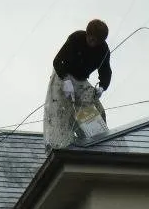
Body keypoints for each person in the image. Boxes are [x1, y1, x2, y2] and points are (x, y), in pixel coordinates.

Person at [44, 19, 112, 150]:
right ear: (87, 34)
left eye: (97, 42)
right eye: (91, 39)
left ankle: (94, 139)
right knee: (61, 107)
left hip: (81, 79)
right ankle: (60, 143)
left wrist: (103, 86)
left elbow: (106, 70)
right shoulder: (76, 38)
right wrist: (65, 80)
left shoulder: (103, 50)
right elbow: (57, 61)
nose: (93, 43)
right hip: (62, 74)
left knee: (92, 105)